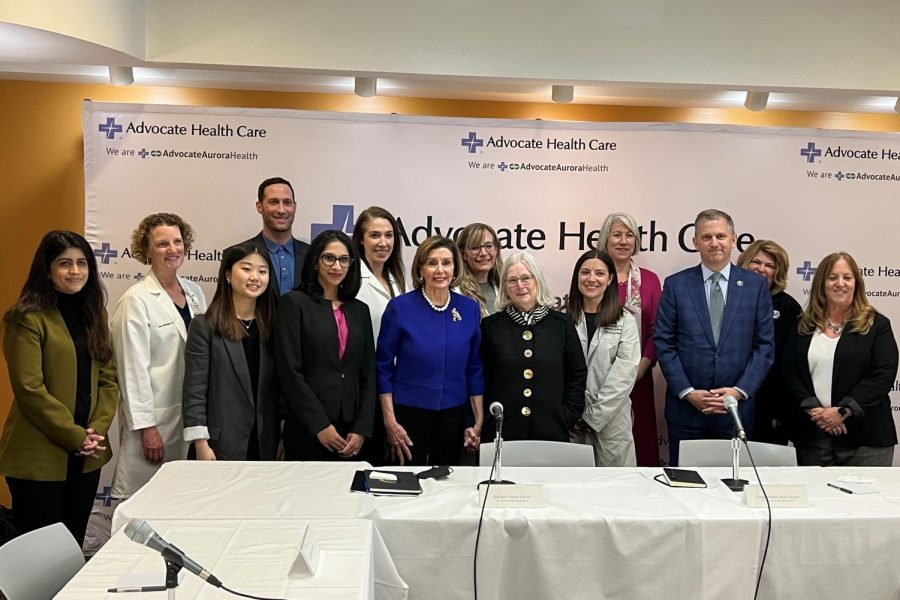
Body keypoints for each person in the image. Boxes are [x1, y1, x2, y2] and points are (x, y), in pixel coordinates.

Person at [0, 231, 117, 546]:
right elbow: (29, 389)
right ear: (47, 269)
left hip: (87, 454)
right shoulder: (25, 318)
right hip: (39, 458)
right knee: (41, 555)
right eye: (65, 263)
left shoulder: (94, 313)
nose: (75, 271)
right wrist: (75, 436)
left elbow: (108, 376)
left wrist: (97, 429)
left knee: (71, 548)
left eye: (82, 263)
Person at [654, 209, 774, 466]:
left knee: (734, 486)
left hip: (735, 411)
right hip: (686, 410)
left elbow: (764, 346)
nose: (714, 242)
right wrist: (688, 392)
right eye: (706, 237)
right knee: (686, 485)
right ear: (695, 242)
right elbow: (664, 342)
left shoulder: (755, 286)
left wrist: (738, 392)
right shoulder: (676, 285)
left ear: (733, 239)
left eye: (720, 235)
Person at [111, 213, 207, 498]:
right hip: (155, 420)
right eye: (162, 243)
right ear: (146, 249)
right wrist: (147, 427)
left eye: (177, 241)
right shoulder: (136, 300)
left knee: (184, 499)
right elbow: (132, 369)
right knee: (146, 500)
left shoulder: (194, 292)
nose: (173, 249)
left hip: (189, 415)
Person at [782, 252, 898, 466]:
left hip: (866, 440)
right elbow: (789, 373)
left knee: (865, 501)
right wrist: (817, 411)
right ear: (821, 283)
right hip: (813, 436)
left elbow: (882, 377)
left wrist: (843, 412)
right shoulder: (803, 325)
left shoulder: (877, 325)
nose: (840, 283)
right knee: (817, 500)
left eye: (847, 277)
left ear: (857, 283)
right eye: (833, 277)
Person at [376, 236, 484, 465]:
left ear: (455, 269)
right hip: (408, 415)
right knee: (407, 483)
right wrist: (390, 421)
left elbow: (474, 367)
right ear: (420, 268)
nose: (440, 270)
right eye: (432, 262)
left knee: (447, 485)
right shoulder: (400, 307)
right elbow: (383, 367)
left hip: (454, 415)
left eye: (446, 262)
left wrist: (478, 419)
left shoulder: (469, 308)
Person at [275, 230, 375, 461]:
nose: (336, 266)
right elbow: (289, 372)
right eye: (328, 258)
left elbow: (368, 372)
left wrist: (361, 428)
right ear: (315, 262)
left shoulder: (360, 310)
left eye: (343, 260)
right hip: (308, 425)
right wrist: (320, 426)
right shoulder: (294, 304)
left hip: (351, 428)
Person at [183, 245, 281, 461]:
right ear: (228, 274)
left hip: (265, 443)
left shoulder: (274, 326)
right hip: (219, 445)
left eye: (262, 271)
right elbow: (195, 390)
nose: (255, 277)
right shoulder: (205, 326)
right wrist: (200, 443)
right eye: (246, 269)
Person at [480, 252, 587, 443]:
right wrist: (488, 419)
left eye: (526, 278)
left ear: (537, 280)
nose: (520, 286)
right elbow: (482, 379)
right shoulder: (490, 327)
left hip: (552, 430)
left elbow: (577, 375)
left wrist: (566, 416)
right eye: (512, 280)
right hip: (502, 432)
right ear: (504, 287)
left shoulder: (561, 324)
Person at [599, 212, 663, 466]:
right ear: (605, 239)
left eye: (629, 236)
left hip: (638, 379)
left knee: (640, 448)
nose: (624, 241)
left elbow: (656, 331)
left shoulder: (648, 280)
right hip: (598, 380)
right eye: (617, 235)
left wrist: (635, 371)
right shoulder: (594, 275)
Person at [566, 249, 640, 466]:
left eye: (599, 273)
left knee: (614, 490)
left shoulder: (625, 320)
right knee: (571, 488)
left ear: (610, 279)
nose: (591, 279)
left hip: (612, 422)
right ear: (576, 277)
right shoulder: (561, 319)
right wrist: (571, 415)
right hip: (571, 421)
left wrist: (591, 418)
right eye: (585, 272)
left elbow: (623, 377)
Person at [352, 206, 406, 465]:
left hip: (394, 386)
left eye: (389, 235)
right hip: (363, 388)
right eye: (375, 235)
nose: (383, 243)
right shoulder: (351, 281)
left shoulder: (397, 279)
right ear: (361, 239)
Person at [737, 239, 802, 445]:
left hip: (769, 407)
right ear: (744, 263)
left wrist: (781, 411)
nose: (761, 269)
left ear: (778, 272)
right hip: (727, 400)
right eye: (756, 262)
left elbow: (791, 365)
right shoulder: (726, 298)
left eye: (770, 265)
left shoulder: (789, 308)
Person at [237, 177, 310, 294]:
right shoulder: (237, 256)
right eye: (273, 202)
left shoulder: (312, 255)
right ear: (259, 206)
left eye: (287, 203)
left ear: (294, 207)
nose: (281, 210)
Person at [454, 223, 503, 317]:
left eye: (488, 246)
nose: (483, 253)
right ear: (463, 254)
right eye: (475, 248)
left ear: (496, 249)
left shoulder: (504, 287)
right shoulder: (455, 293)